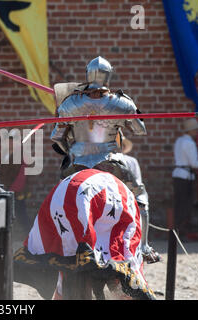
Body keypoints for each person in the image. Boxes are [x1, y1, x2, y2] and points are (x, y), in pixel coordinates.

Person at [49, 56, 159, 263]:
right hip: (109, 161)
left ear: (88, 75)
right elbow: (139, 129)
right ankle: (144, 247)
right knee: (139, 195)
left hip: (77, 162)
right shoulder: (121, 102)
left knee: (59, 195)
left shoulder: (70, 103)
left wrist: (70, 149)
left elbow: (55, 138)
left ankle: (57, 242)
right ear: (109, 76)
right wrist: (133, 113)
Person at [121, 138, 160, 262]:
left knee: (141, 202)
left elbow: (137, 183)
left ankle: (144, 245)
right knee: (142, 200)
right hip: (123, 193)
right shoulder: (129, 161)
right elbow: (138, 183)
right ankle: (144, 247)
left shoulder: (130, 161)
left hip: (125, 192)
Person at [172, 118, 198, 238]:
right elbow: (194, 163)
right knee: (185, 205)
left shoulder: (179, 140)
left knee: (179, 204)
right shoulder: (190, 143)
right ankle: (180, 232)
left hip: (178, 174)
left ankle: (177, 231)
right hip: (185, 176)